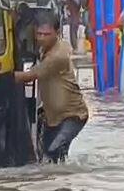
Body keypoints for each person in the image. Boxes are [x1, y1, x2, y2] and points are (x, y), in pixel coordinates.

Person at [14, 11, 88, 163]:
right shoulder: (47, 48)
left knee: (52, 152)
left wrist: (1, 75)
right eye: (39, 34)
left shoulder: (57, 56)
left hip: (72, 116)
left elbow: (29, 76)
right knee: (46, 158)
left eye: (46, 34)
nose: (41, 38)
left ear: (57, 33)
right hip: (52, 117)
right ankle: (60, 184)